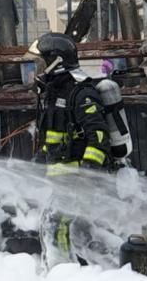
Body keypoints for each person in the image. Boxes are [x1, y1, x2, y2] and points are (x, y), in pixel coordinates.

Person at [26, 32, 111, 176]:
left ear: (56, 62)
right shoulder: (56, 94)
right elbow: (56, 140)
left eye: (41, 64)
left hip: (80, 187)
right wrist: (39, 162)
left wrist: (89, 171)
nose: (37, 71)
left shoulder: (82, 94)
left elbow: (99, 136)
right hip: (60, 183)